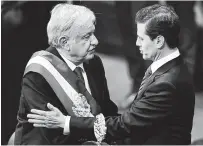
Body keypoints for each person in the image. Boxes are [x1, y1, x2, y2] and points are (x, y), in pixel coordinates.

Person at [27, 4, 195, 145]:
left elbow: (124, 125)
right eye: (87, 36)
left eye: (141, 38)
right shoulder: (169, 67)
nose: (136, 44)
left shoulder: (166, 83)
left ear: (159, 41)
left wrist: (67, 122)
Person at [14, 3, 118, 145]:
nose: (95, 41)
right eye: (87, 36)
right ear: (65, 42)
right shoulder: (39, 73)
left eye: (93, 33)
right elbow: (50, 133)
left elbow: (107, 110)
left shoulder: (93, 62)